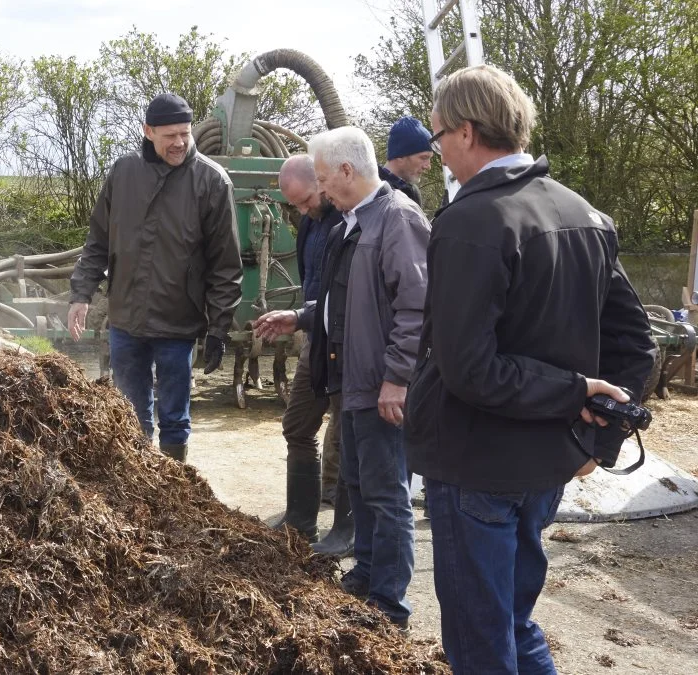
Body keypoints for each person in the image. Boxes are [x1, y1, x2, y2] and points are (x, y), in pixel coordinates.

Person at [405, 64, 656, 673]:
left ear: (465, 132)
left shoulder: (469, 222)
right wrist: (601, 434)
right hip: (549, 463)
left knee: (480, 635)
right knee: (512, 622)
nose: (438, 155)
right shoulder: (584, 214)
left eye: (437, 139)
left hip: (477, 467)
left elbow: (468, 369)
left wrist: (579, 400)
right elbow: (637, 343)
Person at [68, 93, 243, 463]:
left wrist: (219, 328)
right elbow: (97, 241)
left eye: (185, 133)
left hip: (177, 324)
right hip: (126, 322)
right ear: (148, 131)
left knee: (174, 418)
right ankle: (139, 486)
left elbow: (225, 265)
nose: (180, 142)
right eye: (170, 135)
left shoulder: (212, 182)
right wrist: (81, 293)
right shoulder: (123, 173)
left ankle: (173, 489)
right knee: (131, 417)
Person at [309, 125, 429, 630]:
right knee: (357, 486)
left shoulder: (398, 219)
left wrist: (397, 378)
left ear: (345, 170)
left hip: (382, 385)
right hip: (353, 382)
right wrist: (300, 317)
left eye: (322, 178)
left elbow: (416, 306)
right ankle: (368, 571)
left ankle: (390, 602)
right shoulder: (353, 223)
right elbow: (347, 301)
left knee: (387, 494)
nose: (321, 190)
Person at [251, 154, 343, 541]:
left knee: (350, 436)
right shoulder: (310, 224)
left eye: (306, 200)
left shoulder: (349, 221)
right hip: (315, 338)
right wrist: (299, 317)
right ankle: (300, 520)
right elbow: (314, 288)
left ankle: (347, 527)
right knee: (298, 425)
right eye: (295, 205)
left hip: (347, 342)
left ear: (322, 182)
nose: (302, 210)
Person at [379, 116, 433, 206]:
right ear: (400, 156)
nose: (428, 166)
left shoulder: (412, 192)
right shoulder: (373, 192)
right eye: (423, 158)